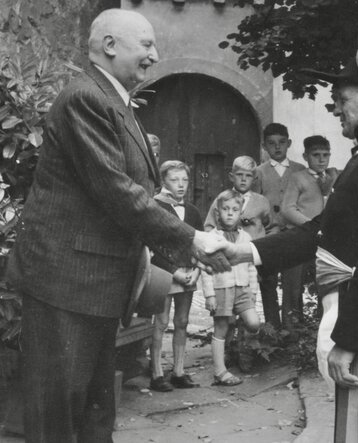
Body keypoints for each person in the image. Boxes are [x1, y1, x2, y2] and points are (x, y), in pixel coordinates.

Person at [216, 10, 358, 442]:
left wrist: (350, 340)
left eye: (343, 98)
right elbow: (322, 231)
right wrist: (247, 251)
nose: (335, 107)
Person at [7, 9, 228, 443]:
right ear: (110, 45)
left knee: (92, 418)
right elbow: (117, 190)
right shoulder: (86, 98)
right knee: (60, 421)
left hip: (90, 286)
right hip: (67, 285)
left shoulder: (110, 100)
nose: (155, 55)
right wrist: (192, 237)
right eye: (146, 45)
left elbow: (128, 194)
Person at [149, 161, 203, 392]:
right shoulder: (156, 206)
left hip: (188, 272)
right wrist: (175, 272)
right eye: (174, 180)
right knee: (160, 322)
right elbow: (153, 246)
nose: (180, 185)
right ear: (163, 181)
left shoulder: (192, 211)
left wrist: (197, 270)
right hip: (164, 272)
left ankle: (179, 371)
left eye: (184, 180)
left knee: (182, 321)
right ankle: (157, 373)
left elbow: (200, 244)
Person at [201, 189, 260, 386]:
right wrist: (209, 295)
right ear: (218, 212)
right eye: (225, 209)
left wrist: (253, 291)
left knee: (253, 322)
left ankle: (239, 347)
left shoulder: (246, 238)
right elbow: (206, 269)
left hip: (243, 288)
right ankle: (220, 371)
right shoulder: (212, 236)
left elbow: (251, 266)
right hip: (222, 288)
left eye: (234, 210)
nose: (229, 213)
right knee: (222, 326)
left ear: (240, 213)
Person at [280, 135, 339, 329]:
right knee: (293, 286)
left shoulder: (334, 177)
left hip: (326, 241)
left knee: (326, 283)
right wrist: (311, 226)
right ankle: (292, 331)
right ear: (306, 156)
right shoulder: (298, 178)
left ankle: (323, 330)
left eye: (325, 155)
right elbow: (287, 209)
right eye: (316, 155)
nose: (321, 160)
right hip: (301, 237)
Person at [252, 123, 306, 328]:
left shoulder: (300, 170)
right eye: (272, 144)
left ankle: (292, 330)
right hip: (270, 234)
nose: (277, 148)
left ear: (289, 143)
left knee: (294, 285)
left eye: (282, 143)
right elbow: (254, 202)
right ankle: (272, 329)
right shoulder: (258, 173)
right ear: (264, 146)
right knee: (269, 282)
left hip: (295, 234)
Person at [204, 155, 271, 241]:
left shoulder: (262, 202)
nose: (243, 179)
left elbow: (271, 228)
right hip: (226, 249)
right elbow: (209, 227)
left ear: (254, 179)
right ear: (231, 177)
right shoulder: (221, 199)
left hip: (253, 250)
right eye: (239, 174)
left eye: (248, 175)